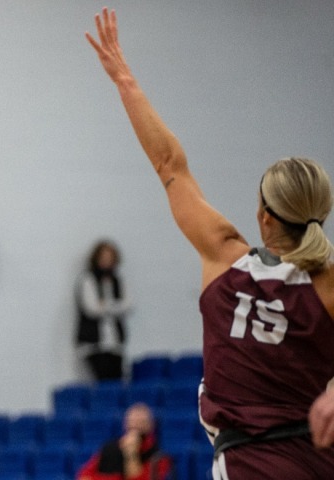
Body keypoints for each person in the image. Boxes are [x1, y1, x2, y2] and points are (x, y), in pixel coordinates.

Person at [86, 8, 334, 479]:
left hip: (246, 464)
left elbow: (169, 164)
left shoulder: (223, 255)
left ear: (263, 215)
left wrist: (126, 81)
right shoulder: (326, 283)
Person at [75, 239, 133, 381]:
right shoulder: (88, 279)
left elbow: (128, 305)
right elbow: (92, 309)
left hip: (115, 344)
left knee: (118, 380)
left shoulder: (118, 281)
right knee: (101, 381)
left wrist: (105, 304)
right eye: (103, 257)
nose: (107, 261)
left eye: (110, 258)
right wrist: (114, 305)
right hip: (93, 344)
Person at [77, 403, 173, 480]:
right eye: (133, 422)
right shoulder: (110, 447)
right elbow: (84, 476)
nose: (136, 426)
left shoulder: (158, 457)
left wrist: (131, 455)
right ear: (125, 424)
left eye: (141, 422)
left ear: (150, 426)